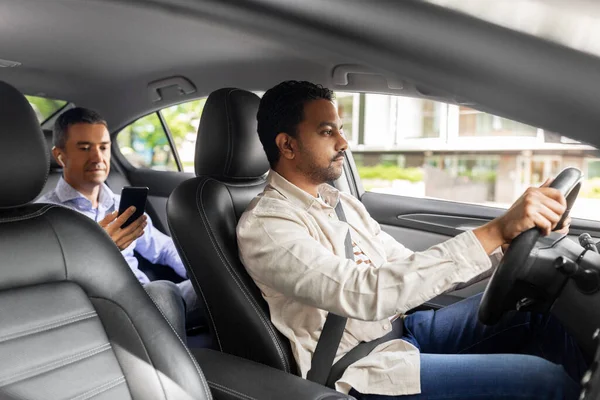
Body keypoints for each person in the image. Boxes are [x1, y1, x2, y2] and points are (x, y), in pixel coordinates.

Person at [236, 81, 586, 400]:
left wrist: (505, 252)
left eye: (340, 130)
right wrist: (494, 230)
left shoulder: (340, 203)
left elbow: (404, 266)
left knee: (541, 312)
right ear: (288, 145)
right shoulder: (266, 225)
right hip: (360, 368)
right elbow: (364, 294)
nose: (344, 143)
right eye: (327, 132)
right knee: (543, 380)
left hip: (401, 329)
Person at [38, 107, 204, 341]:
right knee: (163, 292)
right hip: (101, 312)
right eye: (85, 148)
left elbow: (164, 249)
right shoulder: (44, 216)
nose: (98, 157)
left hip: (149, 298)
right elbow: (54, 287)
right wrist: (102, 250)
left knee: (221, 287)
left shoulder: (120, 204)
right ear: (60, 155)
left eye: (103, 147)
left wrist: (202, 273)